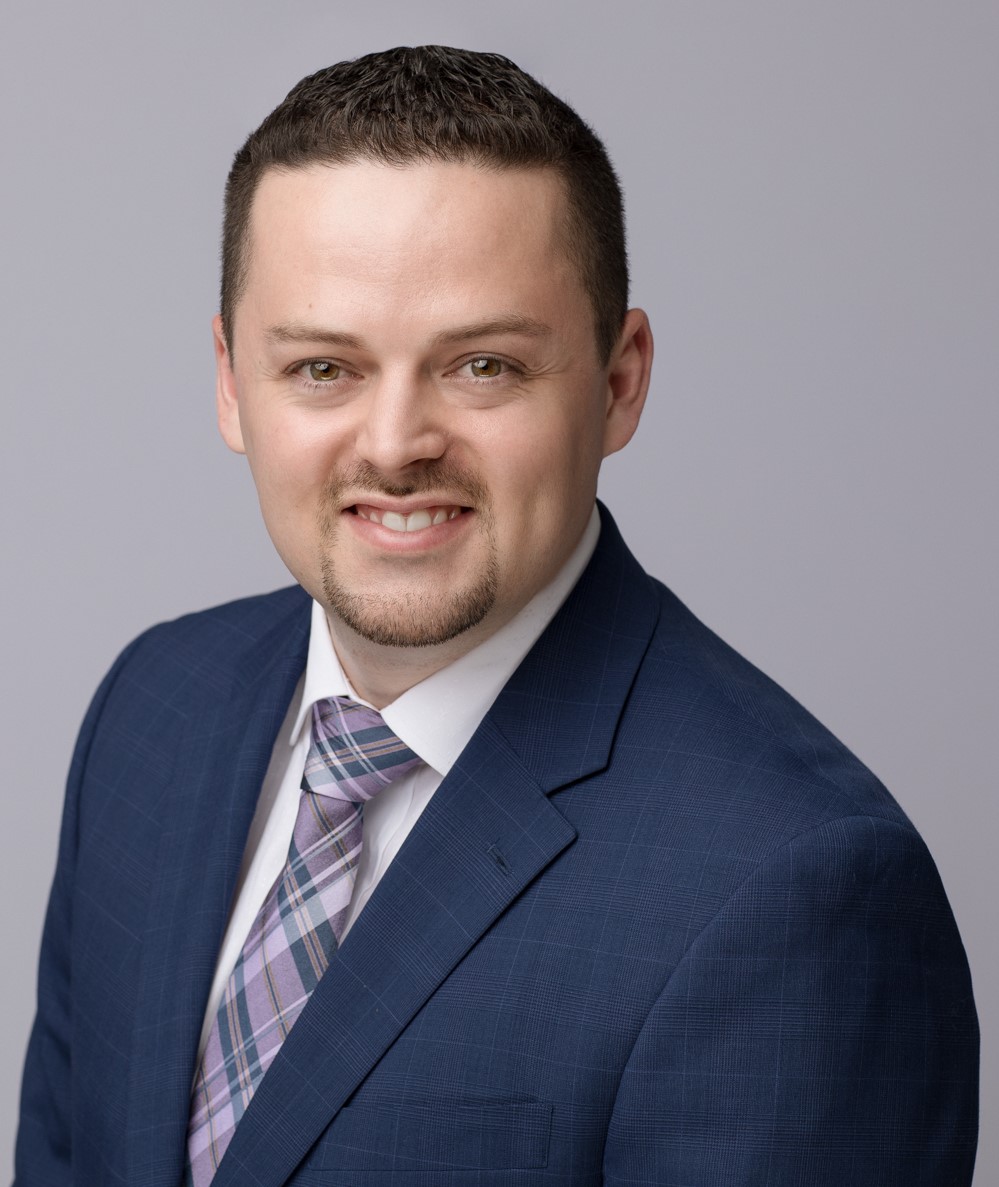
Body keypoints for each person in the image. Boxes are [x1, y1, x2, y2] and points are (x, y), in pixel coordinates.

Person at [14, 45, 978, 1187]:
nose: (394, 445)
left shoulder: (793, 888)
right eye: (322, 368)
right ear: (231, 380)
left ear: (619, 382)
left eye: (482, 365)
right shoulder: (151, 709)